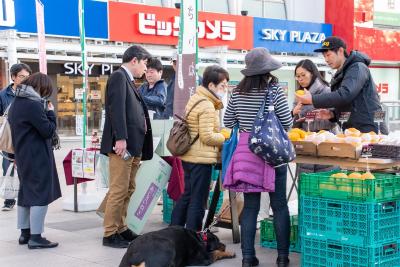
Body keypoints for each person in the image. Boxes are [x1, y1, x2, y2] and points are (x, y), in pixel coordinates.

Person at [224, 47, 293, 267]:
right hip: (272, 154)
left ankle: (247, 258)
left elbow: (227, 122)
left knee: (251, 206)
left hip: (246, 154)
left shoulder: (237, 93)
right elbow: (287, 123)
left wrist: (245, 123)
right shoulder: (274, 91)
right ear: (268, 70)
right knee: (279, 206)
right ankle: (282, 258)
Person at [100, 45, 153, 248]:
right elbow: (116, 109)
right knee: (119, 189)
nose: (145, 69)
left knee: (129, 187)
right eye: (144, 64)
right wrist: (120, 138)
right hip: (124, 145)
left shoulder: (129, 81)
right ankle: (110, 232)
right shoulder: (118, 77)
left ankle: (120, 227)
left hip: (134, 145)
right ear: (134, 60)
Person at [170, 65, 229, 231]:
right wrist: (225, 137)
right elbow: (207, 136)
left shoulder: (196, 98)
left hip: (189, 156)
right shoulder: (208, 105)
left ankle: (174, 232)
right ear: (211, 85)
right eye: (222, 86)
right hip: (200, 159)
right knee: (198, 199)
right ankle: (193, 236)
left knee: (187, 196)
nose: (225, 89)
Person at [8, 73, 61, 249]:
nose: (45, 95)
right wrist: (51, 113)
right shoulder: (33, 104)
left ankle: (25, 233)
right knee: (39, 194)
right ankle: (36, 237)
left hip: (23, 155)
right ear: (40, 87)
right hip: (37, 155)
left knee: (26, 194)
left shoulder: (16, 102)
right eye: (45, 91)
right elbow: (47, 131)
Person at [296, 36, 387, 134]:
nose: (326, 59)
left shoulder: (357, 68)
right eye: (324, 56)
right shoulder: (341, 73)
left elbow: (345, 94)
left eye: (328, 55)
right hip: (353, 130)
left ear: (340, 51)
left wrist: (312, 99)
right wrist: (332, 114)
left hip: (369, 130)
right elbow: (349, 104)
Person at [293, 59, 337, 173]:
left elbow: (333, 119)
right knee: (306, 184)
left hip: (324, 144)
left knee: (323, 183)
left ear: (312, 74)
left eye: (303, 75)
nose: (300, 79)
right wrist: (294, 114)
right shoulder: (299, 93)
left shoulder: (326, 91)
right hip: (305, 145)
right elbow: (294, 122)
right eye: (297, 76)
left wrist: (312, 121)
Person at [0, 63, 32, 211]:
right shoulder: (3, 94)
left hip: (26, 139)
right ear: (13, 77)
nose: (25, 79)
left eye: (27, 77)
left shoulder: (32, 94)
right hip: (10, 138)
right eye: (21, 76)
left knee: (26, 169)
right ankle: (9, 198)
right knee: (8, 167)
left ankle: (26, 197)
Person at [160, 52, 177, 119]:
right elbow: (169, 103)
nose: (175, 65)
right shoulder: (173, 80)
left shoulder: (196, 80)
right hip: (172, 119)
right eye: (174, 63)